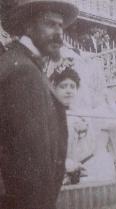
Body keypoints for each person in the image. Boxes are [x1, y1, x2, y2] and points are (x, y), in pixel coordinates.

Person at [0, 1, 78, 209]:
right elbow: (30, 156)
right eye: (50, 24)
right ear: (28, 27)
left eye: (61, 26)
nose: (59, 33)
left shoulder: (26, 66)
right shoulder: (23, 71)